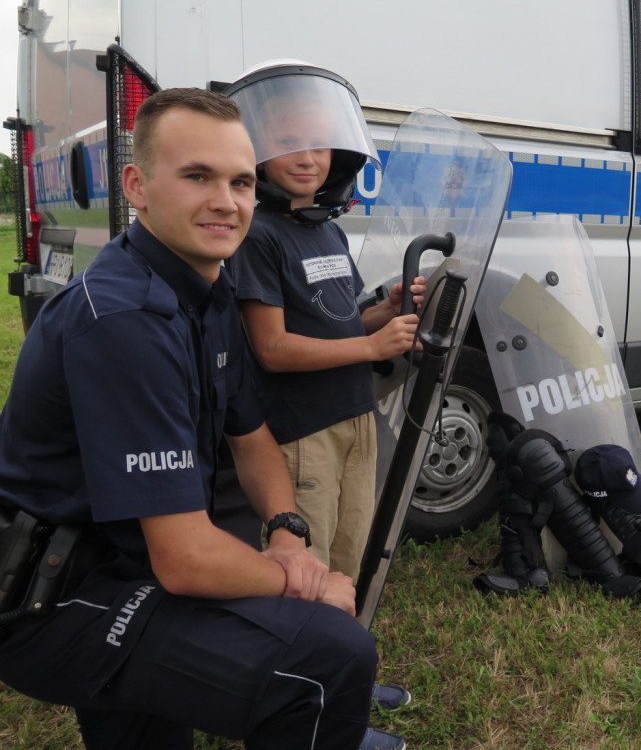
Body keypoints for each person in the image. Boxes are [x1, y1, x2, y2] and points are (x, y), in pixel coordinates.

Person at [0, 88, 387, 750]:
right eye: (198, 176)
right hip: (49, 599)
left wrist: (289, 533)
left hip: (119, 564)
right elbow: (185, 561)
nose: (226, 201)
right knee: (328, 655)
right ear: (138, 185)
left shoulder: (207, 292)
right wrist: (304, 579)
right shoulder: (126, 321)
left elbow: (253, 437)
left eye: (239, 181)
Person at [223, 64, 424, 582]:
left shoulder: (326, 232)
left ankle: (337, 650)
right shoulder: (258, 236)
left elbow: (339, 320)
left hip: (357, 419)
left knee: (347, 556)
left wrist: (384, 311)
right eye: (288, 142)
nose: (308, 157)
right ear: (258, 149)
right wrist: (374, 347)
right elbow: (273, 348)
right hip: (303, 434)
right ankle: (302, 656)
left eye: (320, 142)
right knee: (307, 571)